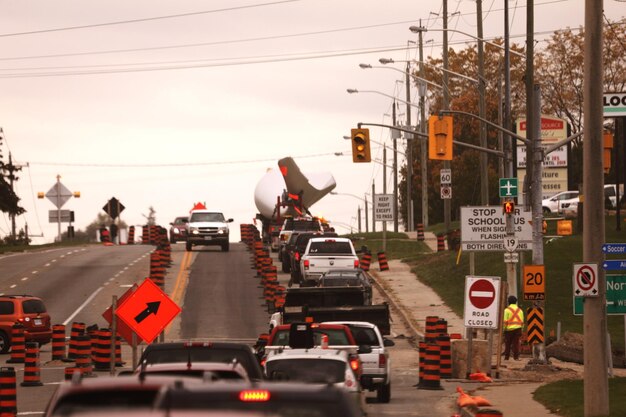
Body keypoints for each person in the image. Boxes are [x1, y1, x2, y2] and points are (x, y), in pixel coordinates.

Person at [502, 295, 524, 361]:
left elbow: (505, 321)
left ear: (508, 302)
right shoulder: (520, 310)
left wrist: (504, 329)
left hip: (508, 330)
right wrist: (521, 329)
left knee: (507, 344)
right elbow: (522, 322)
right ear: (516, 302)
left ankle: (506, 357)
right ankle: (516, 357)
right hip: (518, 329)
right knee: (516, 344)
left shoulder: (506, 310)